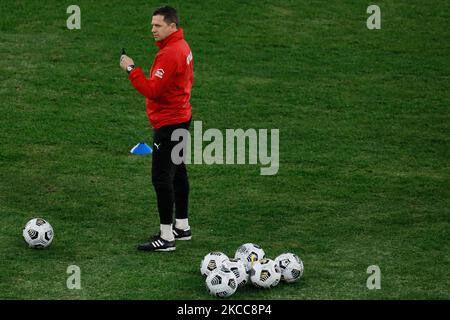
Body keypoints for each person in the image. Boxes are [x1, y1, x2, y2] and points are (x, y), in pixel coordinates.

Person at [120, 6, 193, 252]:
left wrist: (131, 69)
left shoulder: (170, 54)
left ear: (172, 26)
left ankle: (166, 237)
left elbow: (152, 90)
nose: (152, 30)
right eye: (152, 25)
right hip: (181, 118)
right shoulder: (182, 47)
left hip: (168, 124)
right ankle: (181, 227)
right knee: (179, 172)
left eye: (158, 25)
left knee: (162, 178)